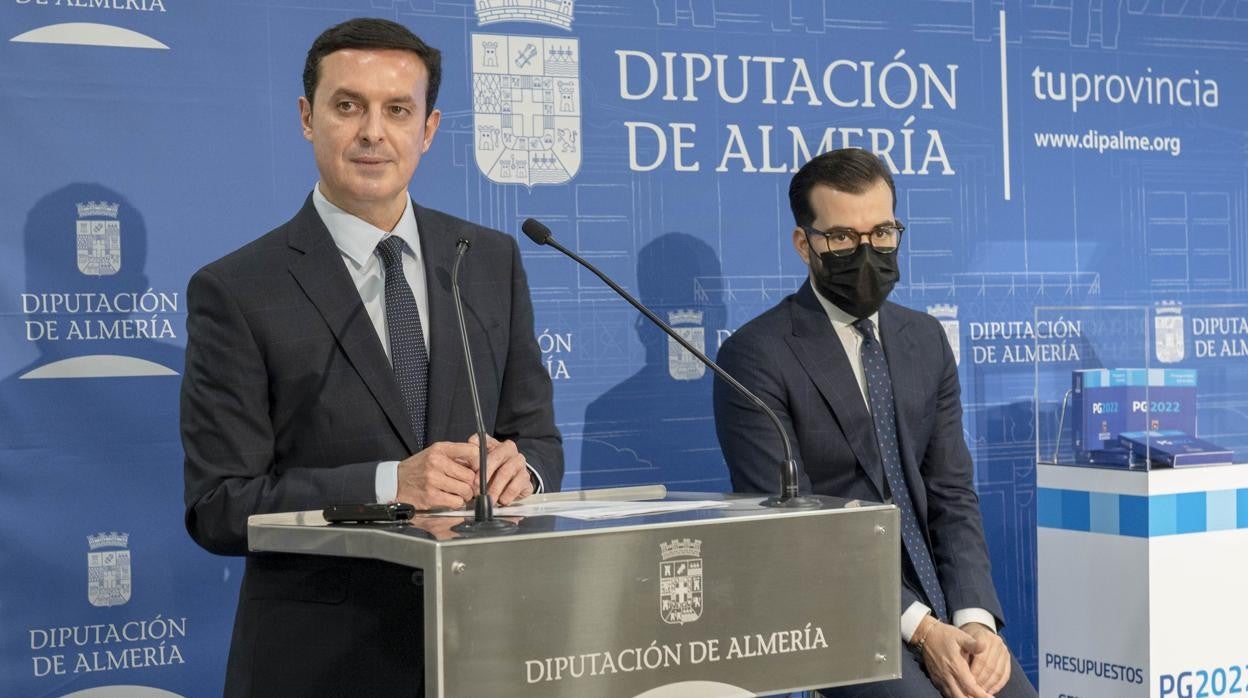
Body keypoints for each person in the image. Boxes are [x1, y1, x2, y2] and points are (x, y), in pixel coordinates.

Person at [180, 18, 562, 697]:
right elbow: (220, 507)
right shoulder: (238, 289)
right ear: (307, 117)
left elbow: (535, 438)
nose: (371, 133)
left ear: (429, 128)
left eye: (396, 110)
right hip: (322, 662)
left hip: (487, 644)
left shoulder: (488, 259)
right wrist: (392, 486)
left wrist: (520, 471)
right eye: (347, 105)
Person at [713, 148, 1035, 698]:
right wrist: (920, 628)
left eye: (882, 232)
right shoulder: (755, 356)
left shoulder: (926, 339)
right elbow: (793, 527)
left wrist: (974, 619)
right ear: (804, 244)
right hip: (830, 611)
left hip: (939, 598)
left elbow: (952, 493)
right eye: (842, 238)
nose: (867, 252)